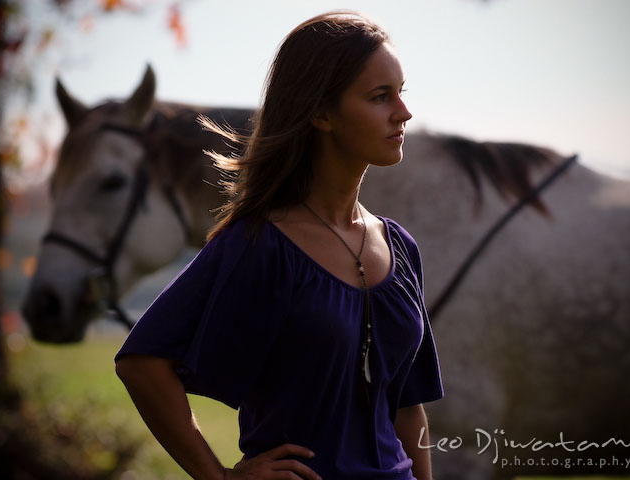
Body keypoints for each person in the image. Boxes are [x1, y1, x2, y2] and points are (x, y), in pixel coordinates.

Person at [115, 10, 443, 480]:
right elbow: (142, 363)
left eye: (401, 93)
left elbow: (409, 408)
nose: (404, 112)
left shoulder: (401, 248)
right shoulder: (260, 242)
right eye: (379, 97)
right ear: (321, 113)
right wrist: (221, 477)